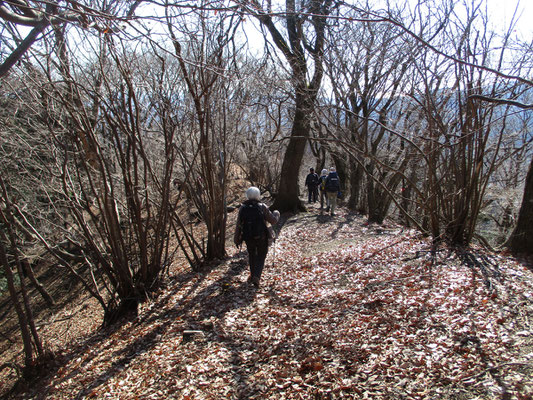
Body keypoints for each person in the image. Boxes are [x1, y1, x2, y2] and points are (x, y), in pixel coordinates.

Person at [234, 187, 280, 288]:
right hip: (262, 237)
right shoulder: (262, 206)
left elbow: (238, 225)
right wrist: (276, 214)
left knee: (251, 255)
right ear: (258, 195)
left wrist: (236, 239)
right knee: (261, 255)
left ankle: (253, 274)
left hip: (248, 237)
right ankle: (257, 277)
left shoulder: (242, 208)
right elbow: (273, 221)